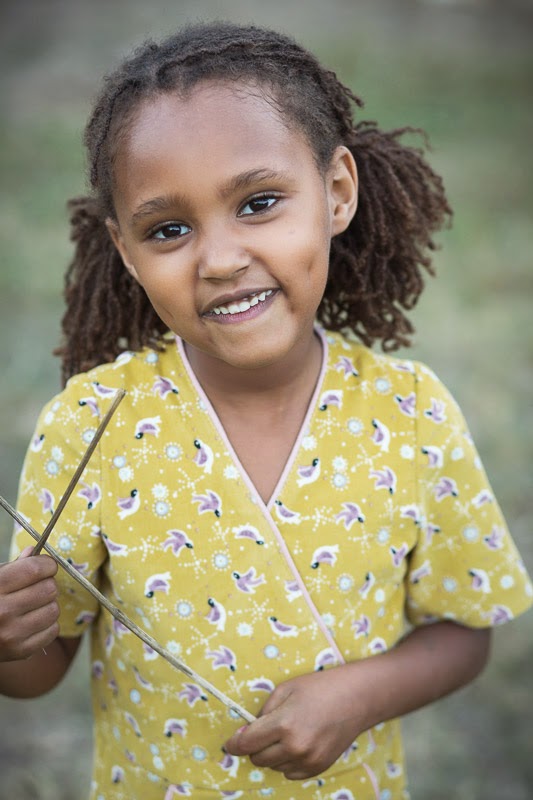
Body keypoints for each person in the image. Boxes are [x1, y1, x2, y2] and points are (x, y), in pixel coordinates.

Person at [0, 21, 531, 800]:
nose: (218, 259)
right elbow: (41, 669)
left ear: (336, 192)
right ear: (124, 250)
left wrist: (360, 696)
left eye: (258, 203)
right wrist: (10, 645)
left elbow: (464, 630)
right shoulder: (93, 426)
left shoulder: (409, 413)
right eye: (169, 229)